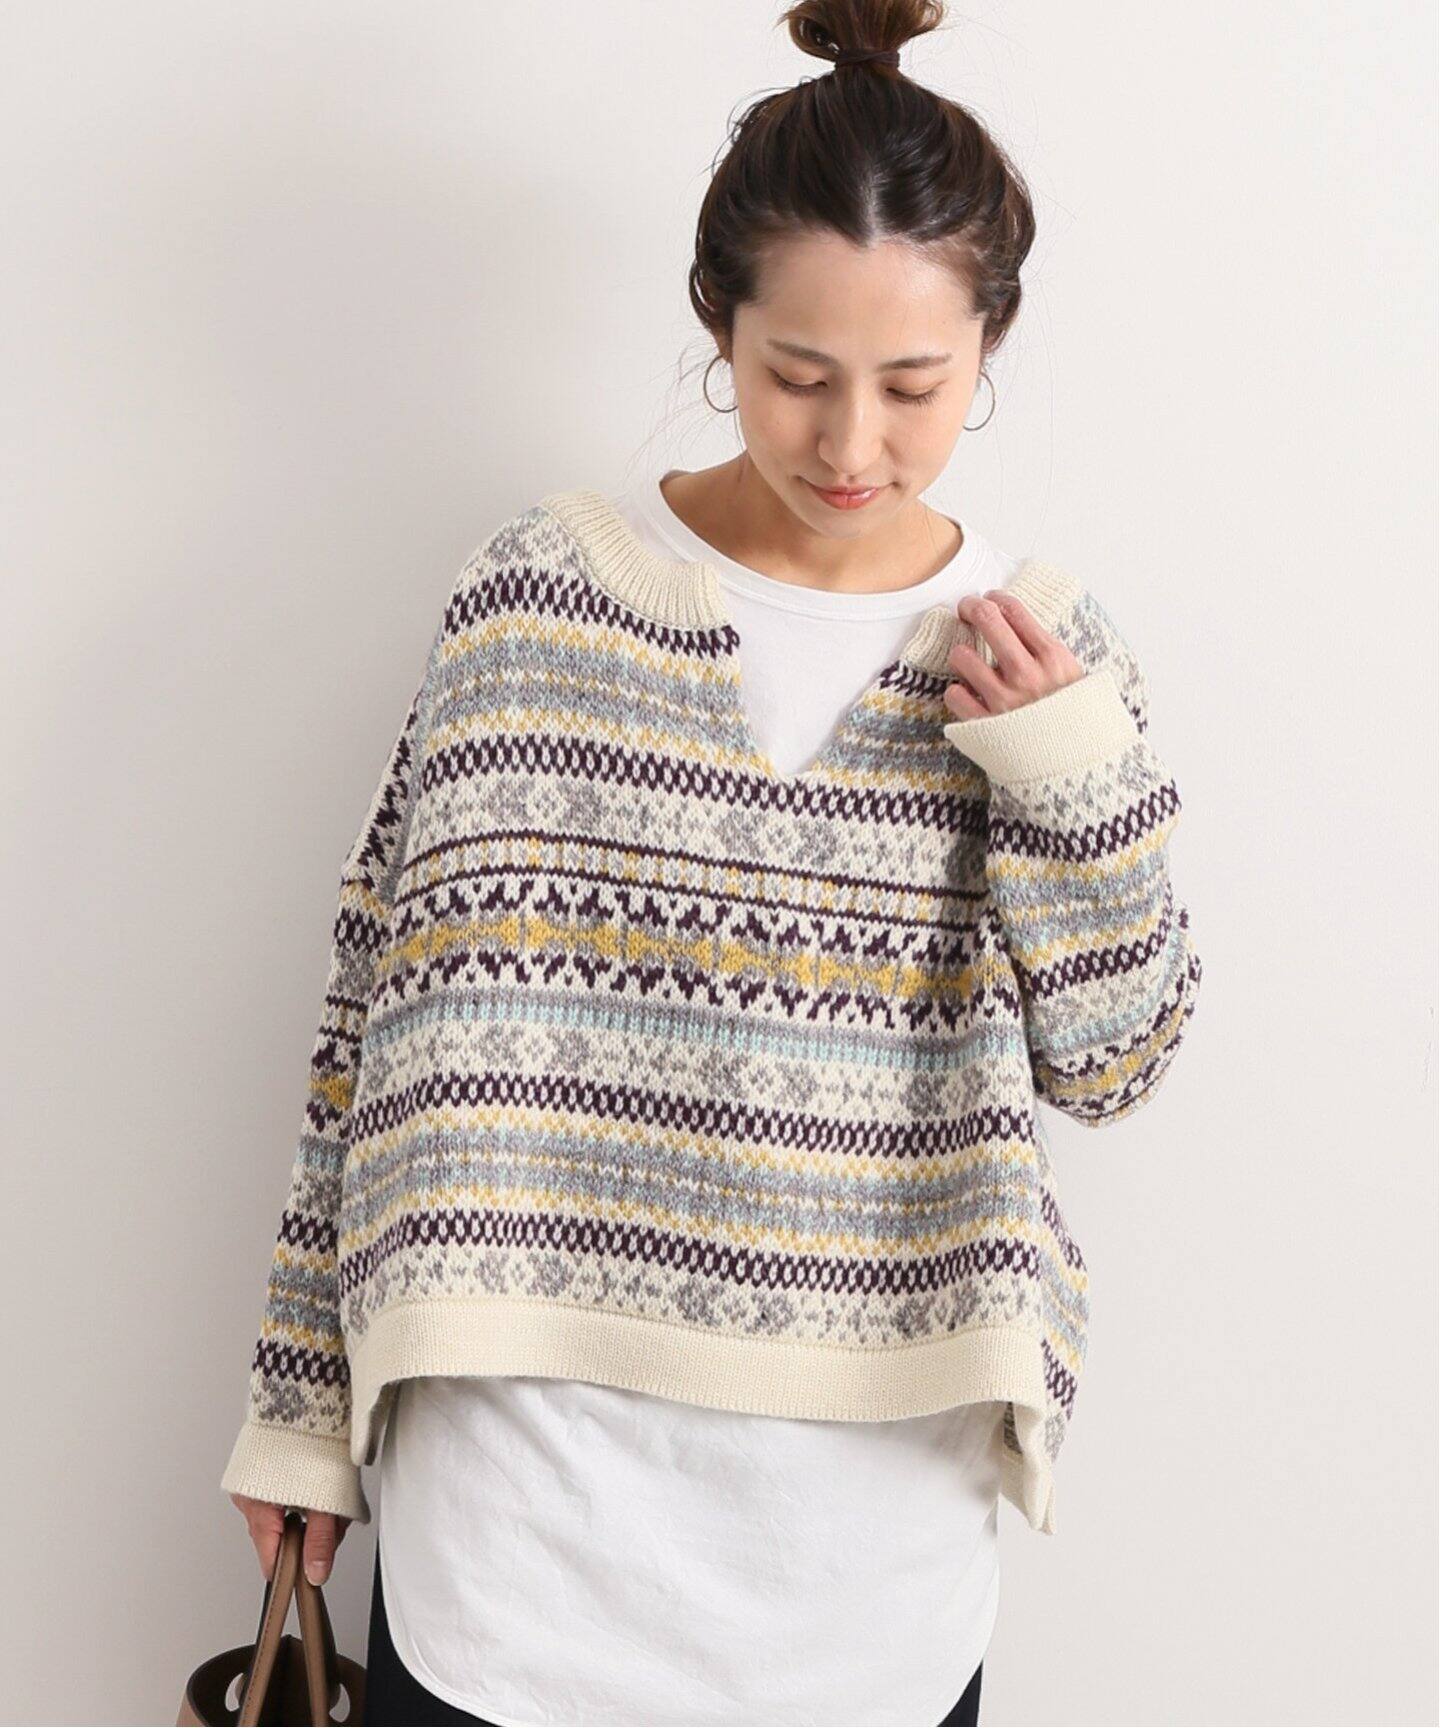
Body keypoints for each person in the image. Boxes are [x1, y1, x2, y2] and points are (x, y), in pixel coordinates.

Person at [223, 2, 1204, 1723]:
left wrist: (1066, 771)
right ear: (717, 325)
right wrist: (301, 1407)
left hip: (867, 1573)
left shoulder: (1038, 653)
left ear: (990, 343)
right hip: (517, 1534)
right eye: (796, 377)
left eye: (916, 387)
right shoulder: (540, 600)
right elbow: (372, 1016)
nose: (851, 446)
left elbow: (1119, 1064)